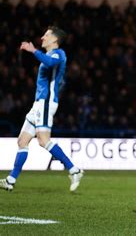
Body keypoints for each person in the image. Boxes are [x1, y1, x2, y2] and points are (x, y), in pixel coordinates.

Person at [0, 26, 84, 192]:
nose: (42, 37)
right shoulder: (47, 55)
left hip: (46, 102)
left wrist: (33, 50)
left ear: (54, 39)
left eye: (46, 35)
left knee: (43, 140)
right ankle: (10, 180)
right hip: (38, 104)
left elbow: (51, 62)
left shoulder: (59, 54)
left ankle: (74, 170)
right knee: (22, 141)